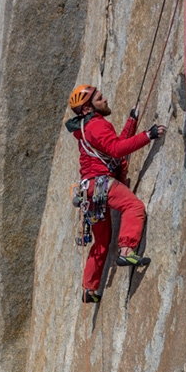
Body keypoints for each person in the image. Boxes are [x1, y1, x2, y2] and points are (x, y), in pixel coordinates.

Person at [66, 84, 166, 302]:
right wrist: (148, 136)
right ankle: (126, 251)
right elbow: (117, 150)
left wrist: (132, 121)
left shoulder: (86, 128)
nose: (105, 100)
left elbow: (114, 146)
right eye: (99, 99)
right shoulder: (95, 125)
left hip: (90, 190)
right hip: (101, 183)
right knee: (134, 207)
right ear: (87, 108)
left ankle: (89, 289)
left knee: (102, 240)